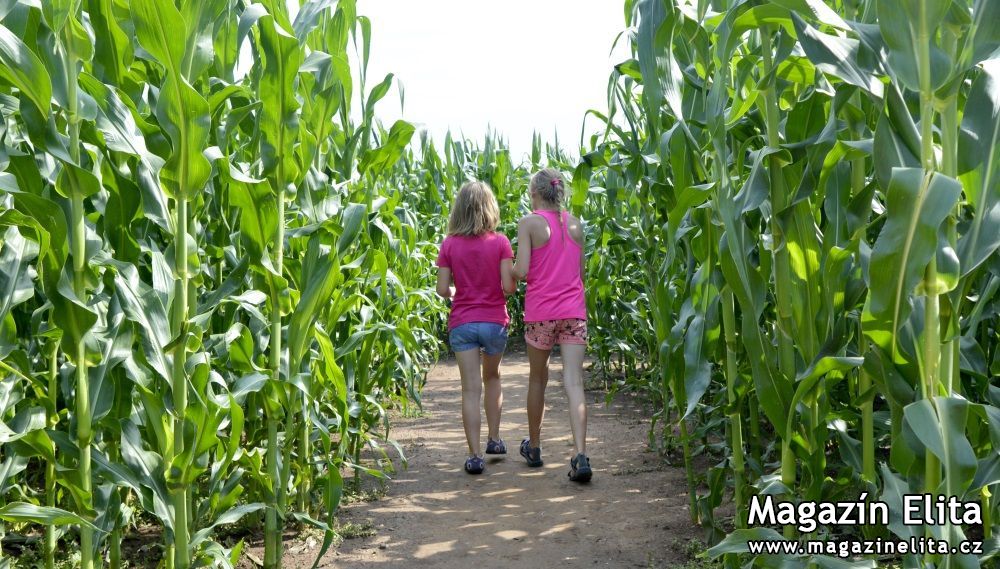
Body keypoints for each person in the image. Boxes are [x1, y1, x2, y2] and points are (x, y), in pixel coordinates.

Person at [512, 168, 592, 483]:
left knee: (537, 380)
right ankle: (581, 455)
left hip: (541, 313)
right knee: (574, 383)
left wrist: (507, 266)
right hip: (574, 312)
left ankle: (534, 447)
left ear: (535, 193)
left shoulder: (529, 223)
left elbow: (522, 270)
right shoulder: (575, 224)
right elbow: (580, 274)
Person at [436, 181, 516, 475]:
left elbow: (442, 288)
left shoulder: (449, 244)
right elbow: (509, 287)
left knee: (470, 389)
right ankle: (495, 440)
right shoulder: (501, 242)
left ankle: (474, 455)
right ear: (489, 208)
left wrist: (460, 292)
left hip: (463, 323)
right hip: (494, 321)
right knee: (492, 378)